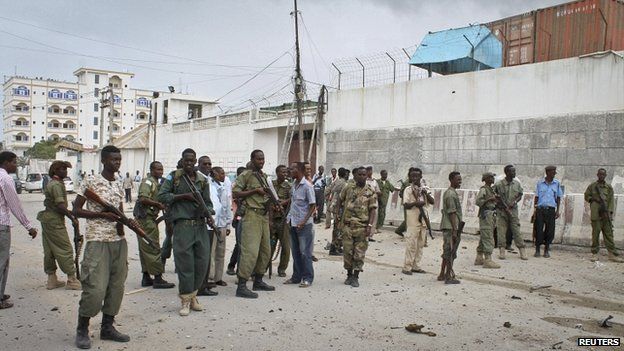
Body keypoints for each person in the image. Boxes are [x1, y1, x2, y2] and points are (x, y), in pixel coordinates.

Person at [73, 145, 131, 348]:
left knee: (116, 287)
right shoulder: (91, 181)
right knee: (95, 289)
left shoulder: (119, 182)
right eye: (114, 159)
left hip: (118, 241)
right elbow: (76, 210)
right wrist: (101, 215)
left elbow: (120, 209)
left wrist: (126, 225)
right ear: (104, 160)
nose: (117, 162)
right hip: (97, 240)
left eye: (119, 159)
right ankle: (82, 329)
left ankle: (107, 327)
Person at [157, 148, 214, 316]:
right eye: (186, 161)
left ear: (195, 161)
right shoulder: (174, 177)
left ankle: (193, 295)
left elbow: (208, 203)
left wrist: (207, 212)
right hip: (182, 225)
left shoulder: (202, 180)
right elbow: (162, 196)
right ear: (182, 161)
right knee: (185, 264)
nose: (189, 164)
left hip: (200, 225)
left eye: (192, 161)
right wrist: (182, 197)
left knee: (202, 263)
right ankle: (185, 300)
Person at [232, 150, 274, 298]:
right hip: (251, 215)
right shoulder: (246, 175)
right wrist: (255, 191)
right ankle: (242, 285)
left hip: (263, 215)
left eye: (263, 159)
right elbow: (236, 193)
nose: (261, 162)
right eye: (258, 159)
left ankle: (258, 280)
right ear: (252, 159)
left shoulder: (264, 176)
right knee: (250, 251)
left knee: (265, 251)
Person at [0, 151, 37, 310]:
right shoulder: (5, 178)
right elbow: (14, 204)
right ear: (6, 163)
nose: (16, 165)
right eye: (14, 162)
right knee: (2, 262)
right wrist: (28, 226)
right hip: (1, 225)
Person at [37, 160, 81, 290]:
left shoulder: (53, 183)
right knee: (65, 249)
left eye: (66, 169)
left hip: (48, 220)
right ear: (55, 171)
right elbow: (60, 205)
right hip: (55, 221)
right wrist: (72, 217)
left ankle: (52, 279)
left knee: (50, 250)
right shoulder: (56, 185)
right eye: (62, 169)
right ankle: (72, 279)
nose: (65, 172)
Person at [135, 161, 174, 289]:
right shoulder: (148, 182)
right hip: (146, 219)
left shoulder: (156, 183)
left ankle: (146, 277)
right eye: (158, 169)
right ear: (151, 170)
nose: (160, 172)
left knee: (145, 247)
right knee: (153, 246)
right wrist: (158, 205)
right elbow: (142, 198)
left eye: (162, 169)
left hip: (148, 218)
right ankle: (157, 278)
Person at [336, 167, 377, 288]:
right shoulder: (348, 187)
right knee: (347, 252)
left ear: (366, 176)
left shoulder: (370, 191)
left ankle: (356, 276)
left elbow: (373, 210)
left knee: (359, 254)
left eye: (364, 175)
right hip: (347, 226)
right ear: (355, 176)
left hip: (362, 227)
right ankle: (349, 275)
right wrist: (337, 215)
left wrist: (370, 226)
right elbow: (339, 200)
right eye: (359, 174)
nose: (362, 176)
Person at [284, 162, 316, 287]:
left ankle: (308, 278)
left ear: (299, 170)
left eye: (292, 169)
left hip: (304, 226)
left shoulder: (307, 186)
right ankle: (296, 277)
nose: (289, 171)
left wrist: (303, 221)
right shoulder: (294, 185)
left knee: (305, 253)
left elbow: (312, 205)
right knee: (296, 252)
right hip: (293, 223)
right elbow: (293, 203)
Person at [584, 168, 623, 263]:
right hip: (596, 214)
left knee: (609, 235)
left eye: (603, 174)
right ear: (597, 175)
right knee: (595, 235)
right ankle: (594, 253)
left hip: (606, 215)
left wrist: (609, 213)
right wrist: (593, 199)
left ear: (605, 176)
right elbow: (586, 196)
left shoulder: (608, 187)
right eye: (600, 174)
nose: (601, 176)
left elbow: (611, 201)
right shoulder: (592, 186)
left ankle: (612, 254)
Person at [401, 168, 434, 275]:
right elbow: (406, 205)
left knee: (420, 244)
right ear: (409, 177)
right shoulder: (408, 190)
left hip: (423, 220)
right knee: (411, 244)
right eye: (412, 176)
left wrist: (426, 193)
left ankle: (416, 266)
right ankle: (407, 267)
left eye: (417, 176)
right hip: (413, 220)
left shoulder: (425, 188)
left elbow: (432, 201)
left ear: (421, 177)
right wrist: (415, 203)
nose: (415, 178)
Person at [196, 155, 219, 296]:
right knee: (203, 257)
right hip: (205, 224)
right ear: (199, 164)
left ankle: (204, 283)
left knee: (207, 256)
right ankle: (201, 286)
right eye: (205, 164)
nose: (208, 166)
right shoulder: (198, 180)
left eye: (210, 164)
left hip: (213, 224)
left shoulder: (208, 180)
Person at [493, 165, 528, 260]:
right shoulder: (499, 184)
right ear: (507, 172)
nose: (514, 173)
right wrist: (500, 204)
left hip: (513, 211)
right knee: (501, 231)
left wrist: (515, 202)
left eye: (514, 171)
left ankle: (522, 249)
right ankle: (502, 250)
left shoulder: (516, 184)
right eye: (512, 171)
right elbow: (493, 195)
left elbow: (520, 194)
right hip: (501, 212)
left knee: (516, 230)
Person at [206, 167, 233, 287]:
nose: (223, 175)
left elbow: (227, 206)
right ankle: (209, 278)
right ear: (214, 174)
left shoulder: (224, 186)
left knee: (220, 253)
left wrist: (228, 224)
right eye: (221, 173)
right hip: (213, 225)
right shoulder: (209, 186)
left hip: (222, 224)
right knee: (211, 252)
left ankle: (218, 277)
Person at [533, 165, 563, 258]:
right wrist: (535, 210)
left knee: (550, 231)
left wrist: (557, 210)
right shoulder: (540, 183)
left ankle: (546, 250)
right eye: (552, 172)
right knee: (538, 230)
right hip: (540, 209)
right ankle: (537, 249)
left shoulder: (557, 183)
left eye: (555, 172)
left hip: (551, 210)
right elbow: (536, 197)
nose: (554, 174)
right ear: (547, 172)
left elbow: (558, 197)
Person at [439, 171, 463, 284]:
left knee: (447, 251)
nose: (460, 181)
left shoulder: (451, 193)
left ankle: (442, 274)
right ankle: (448, 276)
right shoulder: (451, 194)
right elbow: (452, 213)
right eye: (458, 179)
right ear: (452, 180)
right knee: (450, 252)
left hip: (449, 226)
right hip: (450, 227)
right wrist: (455, 229)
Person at [474, 172, 501, 269]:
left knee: (485, 235)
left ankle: (479, 257)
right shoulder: (484, 189)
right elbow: (478, 202)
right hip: (486, 214)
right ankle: (488, 259)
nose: (493, 178)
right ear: (486, 179)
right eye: (490, 177)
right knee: (488, 236)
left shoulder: (491, 189)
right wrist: (489, 199)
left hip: (491, 214)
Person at [271, 165, 292, 277]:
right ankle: (265, 266)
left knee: (285, 246)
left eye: (286, 172)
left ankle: (282, 268)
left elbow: (292, 199)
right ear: (277, 172)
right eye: (282, 172)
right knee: (270, 245)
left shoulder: (288, 186)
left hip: (283, 219)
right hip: (271, 218)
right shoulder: (271, 185)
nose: (284, 174)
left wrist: (281, 203)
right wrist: (273, 205)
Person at [227, 166, 248, 275]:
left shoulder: (245, 185)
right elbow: (238, 199)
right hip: (238, 218)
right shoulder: (236, 186)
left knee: (242, 245)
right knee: (239, 245)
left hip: (246, 218)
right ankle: (232, 266)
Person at [327, 168, 348, 255]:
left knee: (337, 227)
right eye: (347, 174)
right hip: (339, 208)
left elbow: (328, 190)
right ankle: (334, 248)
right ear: (345, 174)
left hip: (335, 207)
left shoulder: (337, 181)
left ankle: (338, 247)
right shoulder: (343, 183)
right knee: (338, 228)